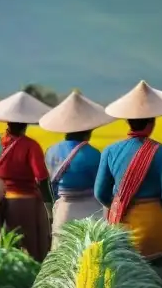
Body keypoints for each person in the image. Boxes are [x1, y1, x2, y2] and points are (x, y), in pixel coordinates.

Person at [96, 80, 162, 288]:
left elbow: (100, 192)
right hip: (159, 232)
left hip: (123, 230)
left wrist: (121, 206)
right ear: (152, 121)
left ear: (128, 121)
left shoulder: (110, 151)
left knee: (129, 286)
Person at [0, 91, 54, 261]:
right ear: (26, 124)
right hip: (26, 205)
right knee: (30, 252)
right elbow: (41, 177)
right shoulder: (31, 146)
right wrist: (49, 205)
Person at [39, 90, 115, 247]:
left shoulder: (51, 151)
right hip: (92, 212)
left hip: (63, 210)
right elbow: (102, 188)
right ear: (88, 130)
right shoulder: (94, 154)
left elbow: (47, 184)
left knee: (63, 255)